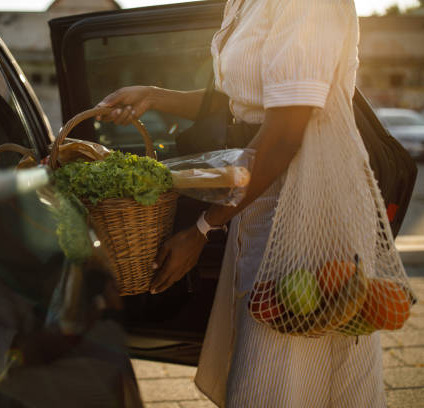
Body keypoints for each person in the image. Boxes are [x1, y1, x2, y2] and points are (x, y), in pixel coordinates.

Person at [96, 0, 385, 406]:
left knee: (283, 371)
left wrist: (202, 228)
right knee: (275, 364)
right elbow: (237, 101)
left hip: (307, 201)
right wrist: (153, 95)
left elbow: (285, 132)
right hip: (261, 192)